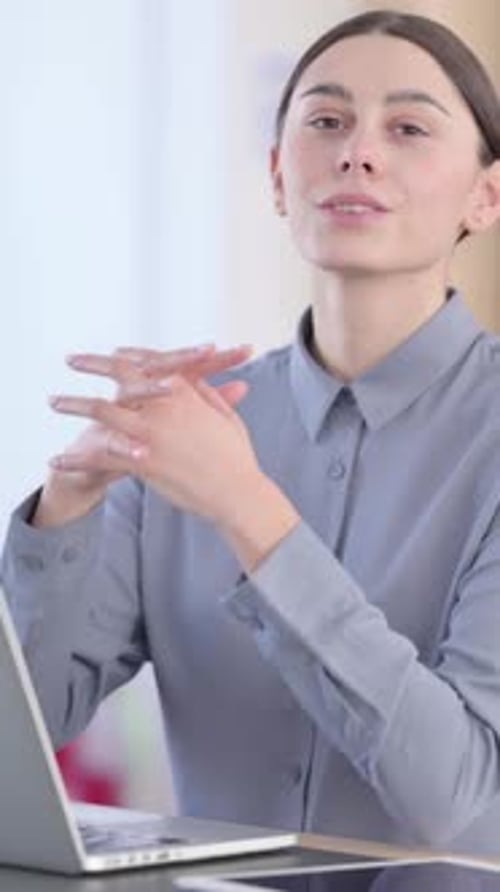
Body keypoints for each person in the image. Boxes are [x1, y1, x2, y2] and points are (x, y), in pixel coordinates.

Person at [2, 8, 500, 856]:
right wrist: (65, 516)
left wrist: (248, 510)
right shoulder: (191, 428)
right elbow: (34, 723)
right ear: (277, 177)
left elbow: (455, 797)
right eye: (326, 120)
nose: (358, 151)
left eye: (408, 126)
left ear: (485, 195)